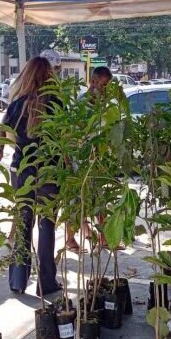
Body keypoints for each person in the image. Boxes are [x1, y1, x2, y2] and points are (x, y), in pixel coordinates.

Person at [0, 57, 62, 296]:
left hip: (22, 169)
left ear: (27, 75)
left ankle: (18, 281)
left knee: (23, 224)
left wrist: (2, 148)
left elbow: (4, 132)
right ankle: (47, 282)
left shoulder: (16, 104)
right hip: (50, 170)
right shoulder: (57, 103)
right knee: (47, 225)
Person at [65, 66, 113, 253]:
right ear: (92, 82)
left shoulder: (105, 105)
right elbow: (70, 134)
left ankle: (104, 237)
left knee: (100, 200)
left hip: (98, 160)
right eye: (103, 85)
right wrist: (69, 160)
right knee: (76, 201)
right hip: (79, 160)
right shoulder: (81, 104)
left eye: (108, 86)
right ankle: (70, 239)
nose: (105, 89)